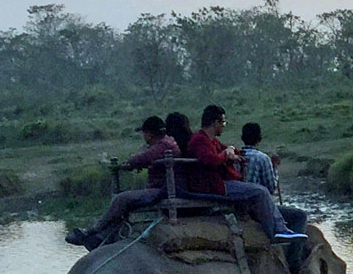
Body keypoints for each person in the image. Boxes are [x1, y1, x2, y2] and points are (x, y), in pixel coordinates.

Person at [189, 104, 304, 241]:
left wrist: (230, 150)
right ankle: (276, 231)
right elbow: (210, 160)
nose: (224, 126)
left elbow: (234, 151)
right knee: (261, 192)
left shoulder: (212, 140)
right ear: (215, 122)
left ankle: (281, 228)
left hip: (220, 183)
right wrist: (226, 154)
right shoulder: (199, 140)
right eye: (223, 122)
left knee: (260, 191)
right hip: (214, 186)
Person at [64, 116, 180, 247]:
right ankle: (103, 235)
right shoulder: (168, 142)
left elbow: (142, 158)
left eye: (144, 133)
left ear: (149, 133)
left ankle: (95, 230)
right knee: (127, 200)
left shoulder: (162, 146)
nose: (144, 137)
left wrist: (128, 164)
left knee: (121, 198)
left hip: (162, 189)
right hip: (163, 187)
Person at [239, 121, 309, 235]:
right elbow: (271, 188)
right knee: (300, 216)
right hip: (257, 208)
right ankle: (293, 251)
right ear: (259, 139)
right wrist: (274, 168)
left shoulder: (235, 156)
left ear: (242, 138)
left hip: (238, 204)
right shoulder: (262, 158)